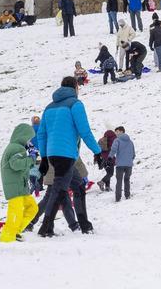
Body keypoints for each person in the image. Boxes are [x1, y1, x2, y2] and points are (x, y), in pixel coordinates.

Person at [34, 76, 102, 236]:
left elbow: (41, 134)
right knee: (58, 191)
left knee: (78, 186)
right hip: (66, 155)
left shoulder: (49, 107)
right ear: (75, 88)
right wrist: (97, 151)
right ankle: (45, 229)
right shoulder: (75, 104)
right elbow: (85, 131)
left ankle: (85, 226)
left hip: (53, 154)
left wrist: (44, 157)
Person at [0, 121, 37, 243]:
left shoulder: (17, 148)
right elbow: (15, 164)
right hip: (15, 187)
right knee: (16, 212)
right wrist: (30, 158)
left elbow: (21, 166)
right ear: (23, 137)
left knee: (32, 208)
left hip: (21, 186)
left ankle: (16, 232)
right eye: (28, 138)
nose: (29, 142)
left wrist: (31, 159)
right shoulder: (16, 148)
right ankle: (7, 237)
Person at [111, 126, 135, 201]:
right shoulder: (130, 142)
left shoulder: (117, 140)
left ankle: (118, 198)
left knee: (119, 181)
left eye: (117, 132)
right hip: (129, 165)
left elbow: (113, 149)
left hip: (120, 165)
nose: (116, 133)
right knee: (127, 180)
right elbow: (133, 154)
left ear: (121, 131)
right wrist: (129, 160)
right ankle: (127, 195)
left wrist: (110, 157)